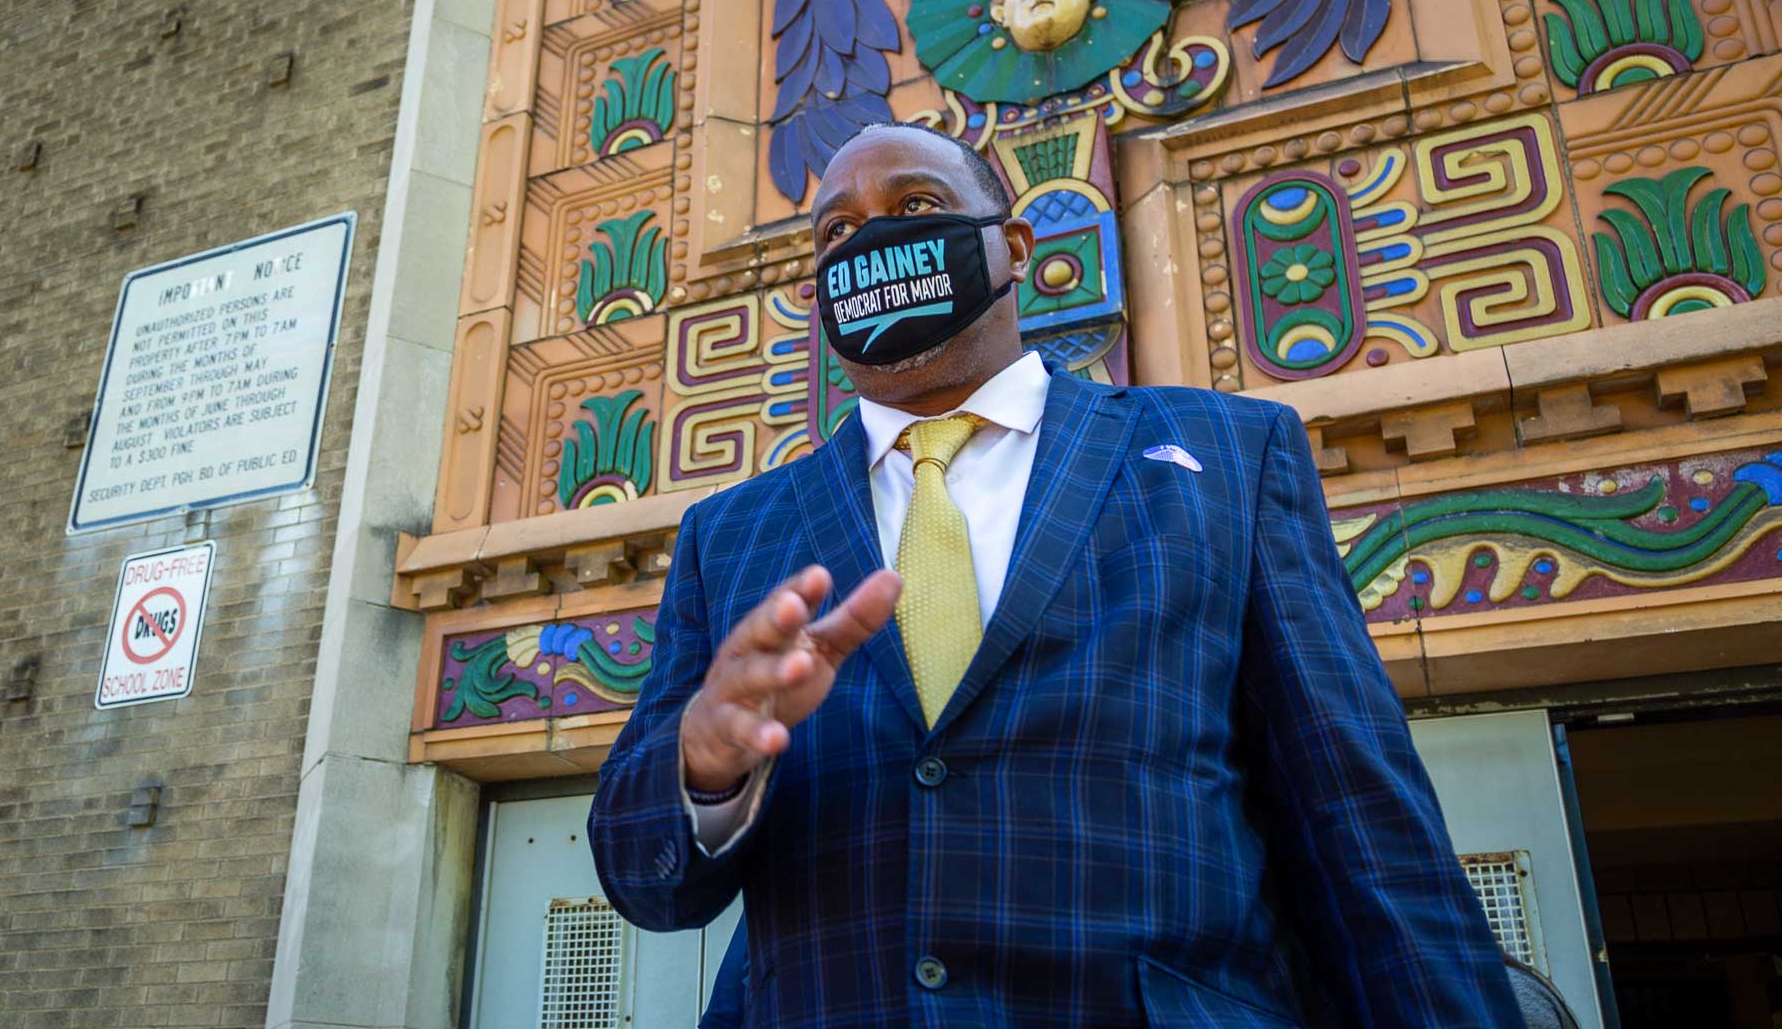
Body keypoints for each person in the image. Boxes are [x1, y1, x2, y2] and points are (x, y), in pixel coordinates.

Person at [588, 121, 1525, 1026]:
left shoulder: (1228, 457)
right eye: (839, 230)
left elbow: (1362, 828)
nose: (874, 239)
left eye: (916, 202)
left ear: (1015, 247)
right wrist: (703, 768)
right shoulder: (730, 533)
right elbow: (645, 880)